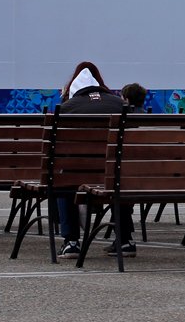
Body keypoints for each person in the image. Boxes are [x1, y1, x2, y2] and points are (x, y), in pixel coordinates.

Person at [56, 61, 133, 257]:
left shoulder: (67, 107)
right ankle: (125, 240)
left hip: (79, 172)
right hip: (115, 172)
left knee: (63, 178)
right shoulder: (120, 105)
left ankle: (71, 241)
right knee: (119, 178)